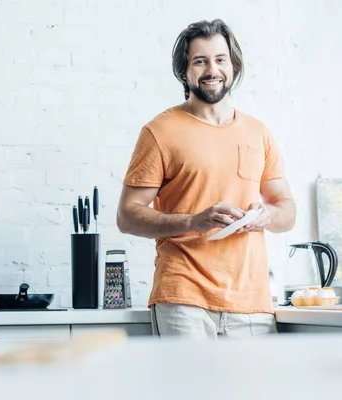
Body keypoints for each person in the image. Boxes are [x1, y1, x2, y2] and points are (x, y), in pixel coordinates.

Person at [116, 19, 296, 339]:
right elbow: (128, 216)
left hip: (251, 303)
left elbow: (287, 210)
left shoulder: (258, 132)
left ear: (233, 65)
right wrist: (192, 222)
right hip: (183, 298)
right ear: (184, 71)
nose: (212, 70)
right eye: (200, 61)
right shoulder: (159, 132)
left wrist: (268, 215)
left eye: (220, 59)